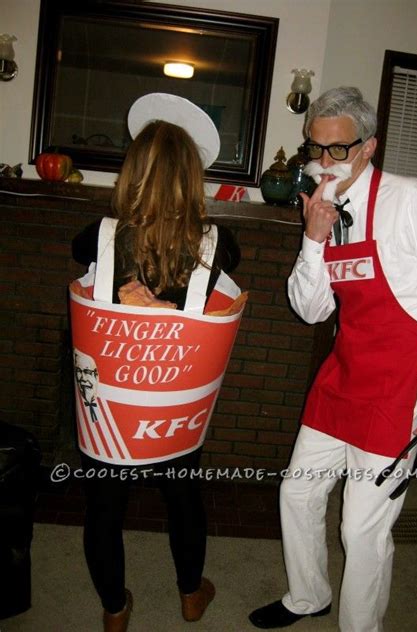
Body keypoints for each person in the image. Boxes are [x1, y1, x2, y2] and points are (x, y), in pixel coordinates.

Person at [249, 86, 417, 631]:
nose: (323, 164)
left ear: (369, 148)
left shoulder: (410, 199)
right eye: (315, 149)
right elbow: (310, 310)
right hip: (345, 372)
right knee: (298, 489)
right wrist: (313, 239)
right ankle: (308, 596)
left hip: (402, 382)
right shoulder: (325, 210)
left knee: (361, 526)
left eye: (337, 150)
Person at [71, 95, 240, 632]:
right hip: (171, 408)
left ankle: (115, 609)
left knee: (104, 507)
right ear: (192, 179)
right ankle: (191, 594)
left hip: (113, 412)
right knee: (184, 498)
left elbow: (87, 278)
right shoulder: (218, 247)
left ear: (134, 171)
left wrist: (126, 301)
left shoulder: (96, 236)